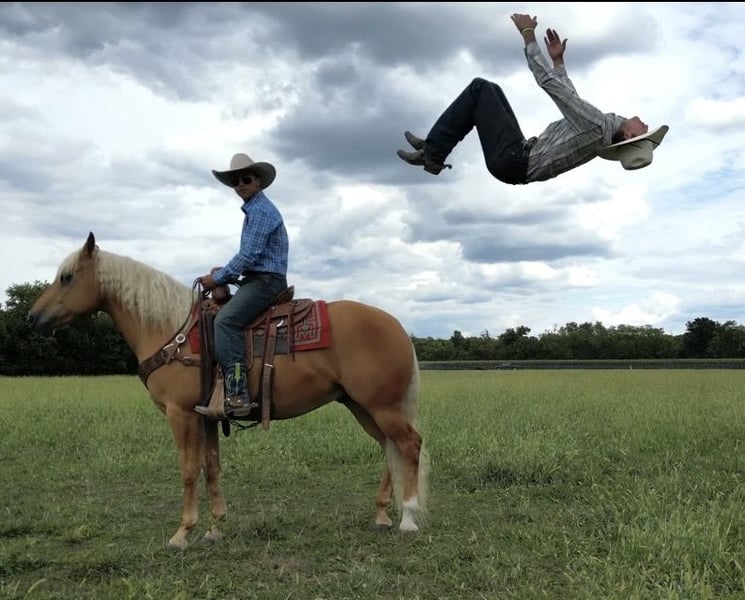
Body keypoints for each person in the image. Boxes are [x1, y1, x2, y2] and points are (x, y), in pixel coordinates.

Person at [397, 13, 667, 184]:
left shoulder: (598, 127)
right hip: (516, 159)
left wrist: (528, 35)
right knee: (491, 90)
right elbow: (569, 99)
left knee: (481, 89)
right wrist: (558, 62)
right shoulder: (599, 128)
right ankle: (434, 145)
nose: (645, 124)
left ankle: (432, 153)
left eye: (644, 131)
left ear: (629, 136)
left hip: (514, 160)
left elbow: (550, 86)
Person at [194, 153, 289, 419]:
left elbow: (249, 256)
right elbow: (249, 258)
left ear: (258, 181)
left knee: (225, 322)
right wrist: (224, 274)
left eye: (245, 179)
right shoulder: (255, 210)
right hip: (258, 278)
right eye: (235, 181)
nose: (240, 185)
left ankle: (237, 395)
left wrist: (218, 278)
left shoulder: (260, 211)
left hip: (266, 281)